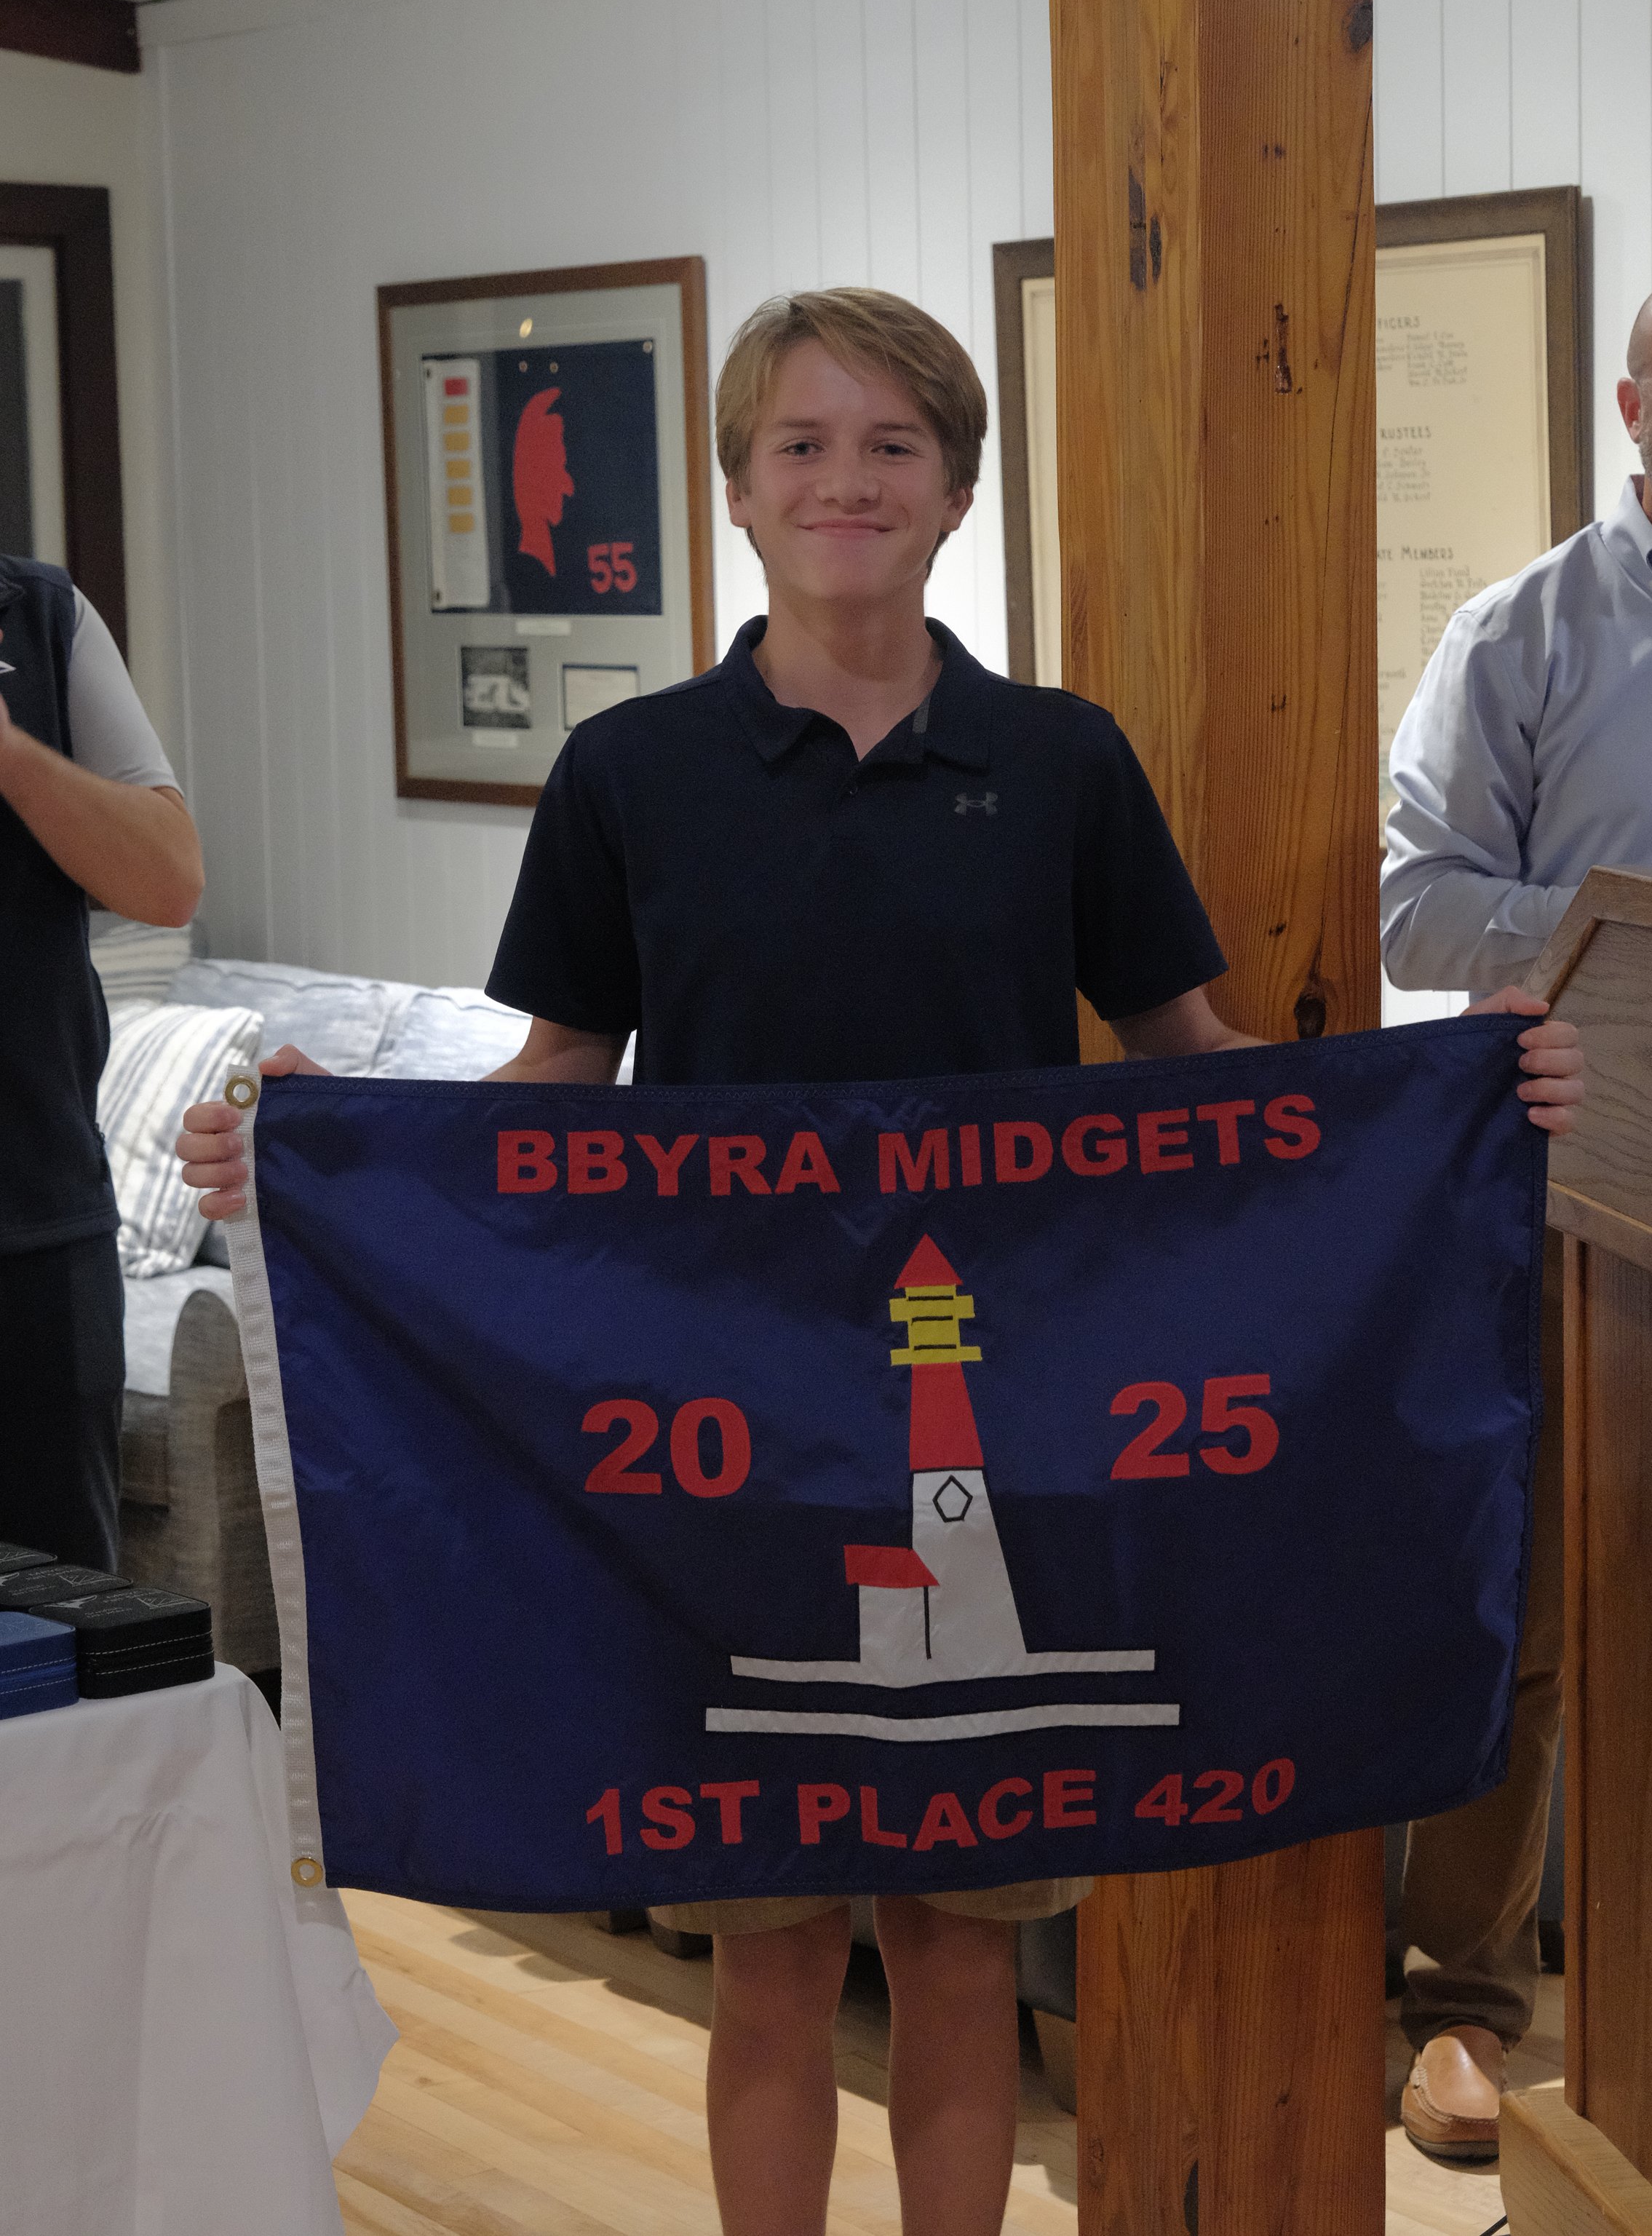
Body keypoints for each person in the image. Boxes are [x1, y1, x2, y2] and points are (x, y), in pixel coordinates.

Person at [183, 288, 1581, 2236]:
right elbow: (556, 1088)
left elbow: (1198, 1069)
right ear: (739, 491)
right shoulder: (631, 772)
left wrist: (1462, 1087)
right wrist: (322, 1151)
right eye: (802, 446)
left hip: (999, 1429)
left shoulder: (1059, 760)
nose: (845, 480)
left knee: (954, 1946)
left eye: (890, 446)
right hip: (732, 1442)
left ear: (953, 491)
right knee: (770, 1955)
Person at [1381, 260, 1652, 2164]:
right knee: (1539, 1619)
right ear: (1630, 409)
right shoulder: (1518, 631)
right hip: (1566, 1202)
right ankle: (1460, 2007)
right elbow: (1411, 904)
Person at [0, 560, 204, 1571]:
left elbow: (169, 880)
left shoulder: (41, 616)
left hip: (36, 1233)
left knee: (68, 1616)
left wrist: (10, 754)